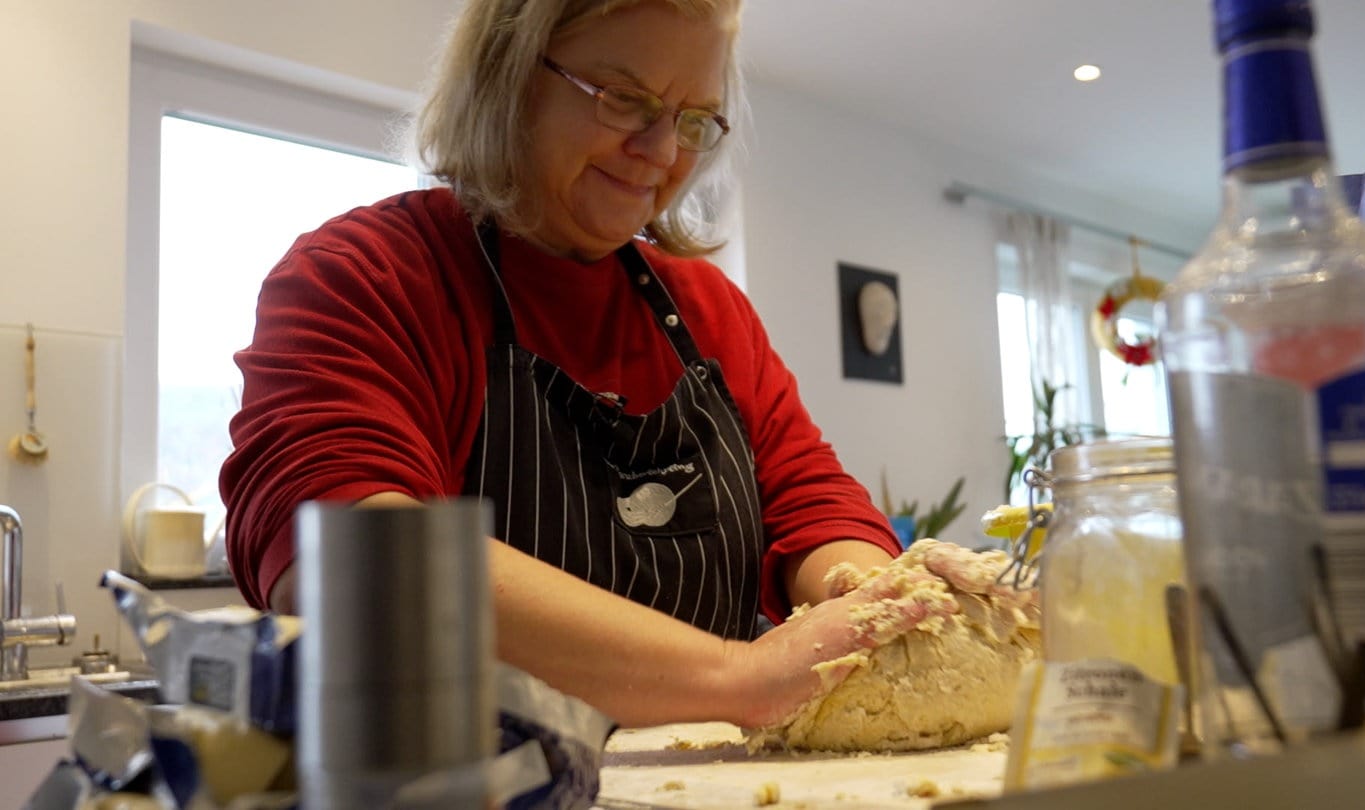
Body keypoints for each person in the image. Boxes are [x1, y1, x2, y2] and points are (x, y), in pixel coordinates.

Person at [221, 0, 979, 730]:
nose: (662, 152)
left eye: (692, 121)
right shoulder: (368, 277)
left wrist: (875, 601)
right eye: (624, 99)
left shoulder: (710, 312)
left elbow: (811, 501)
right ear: (509, 72)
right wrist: (738, 678)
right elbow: (353, 561)